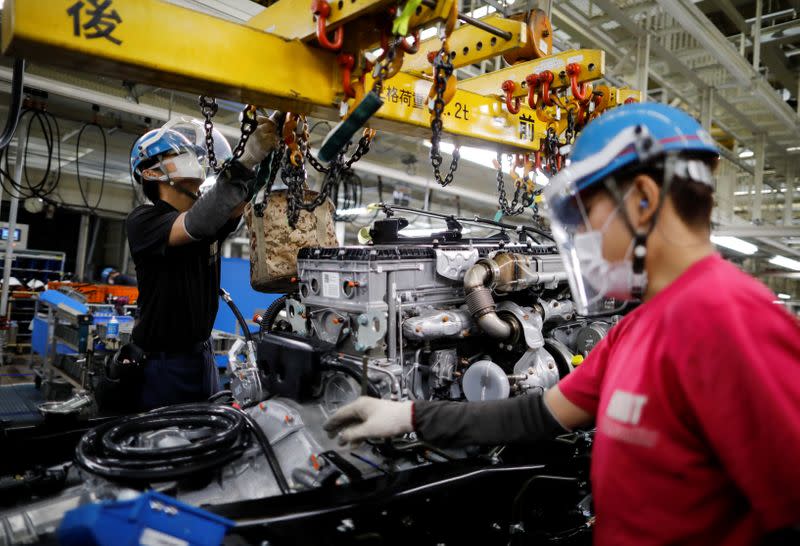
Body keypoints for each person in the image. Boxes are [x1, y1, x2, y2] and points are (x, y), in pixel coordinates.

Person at [324, 103, 800, 545]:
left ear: (642, 200)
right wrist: (408, 416)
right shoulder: (636, 330)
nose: (583, 237)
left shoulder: (732, 322)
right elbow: (535, 415)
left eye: (587, 215)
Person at [126, 114, 279, 410]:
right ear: (152, 172)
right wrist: (246, 159)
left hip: (201, 357)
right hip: (162, 363)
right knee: (167, 443)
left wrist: (265, 150)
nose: (193, 159)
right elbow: (198, 222)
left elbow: (236, 203)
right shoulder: (144, 220)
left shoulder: (207, 216)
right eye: (178, 154)